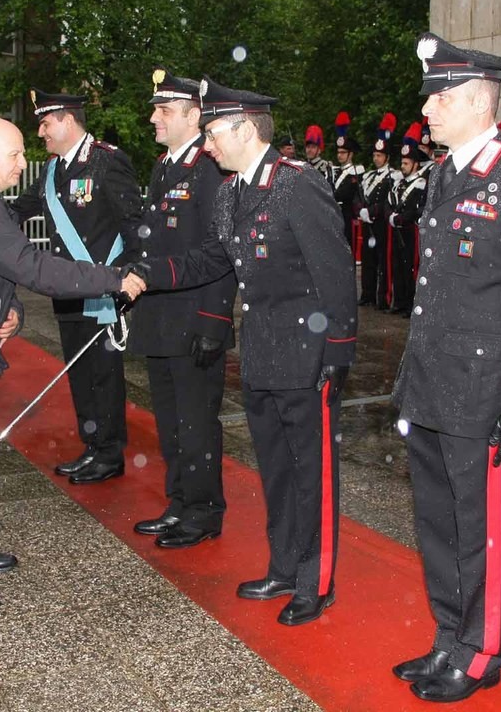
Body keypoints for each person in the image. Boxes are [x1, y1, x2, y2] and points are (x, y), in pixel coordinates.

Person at [136, 76, 357, 626]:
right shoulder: (235, 190)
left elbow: (334, 270)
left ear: (242, 129)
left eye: (212, 132)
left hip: (307, 354)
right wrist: (146, 273)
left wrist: (338, 350)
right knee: (277, 469)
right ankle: (284, 564)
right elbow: (213, 260)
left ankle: (316, 580)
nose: (206, 145)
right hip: (261, 354)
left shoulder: (296, 184)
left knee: (313, 471)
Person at [0, 117, 145, 617]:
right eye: (15, 155)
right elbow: (30, 265)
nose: (22, 164)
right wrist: (112, 278)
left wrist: (9, 308)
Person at [389, 33, 501, 704]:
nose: (428, 109)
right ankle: (448, 635)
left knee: (481, 528)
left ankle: (482, 648)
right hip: (432, 382)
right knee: (438, 521)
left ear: (479, 101)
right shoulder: (446, 173)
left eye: (441, 97)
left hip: (484, 391)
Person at [11, 89, 143, 484]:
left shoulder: (107, 160)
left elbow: (134, 225)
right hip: (67, 289)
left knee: (104, 374)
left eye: (46, 123)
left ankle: (110, 452)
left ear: (67, 121)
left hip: (102, 290)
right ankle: (92, 445)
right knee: (79, 372)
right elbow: (22, 207)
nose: (41, 132)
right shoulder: (53, 170)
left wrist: (129, 278)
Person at [129, 68, 236, 549]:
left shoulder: (210, 168)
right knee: (170, 422)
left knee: (196, 423)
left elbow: (221, 249)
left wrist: (216, 319)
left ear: (194, 116)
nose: (154, 117)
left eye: (164, 110)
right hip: (160, 317)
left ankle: (204, 510)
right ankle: (180, 501)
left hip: (194, 321)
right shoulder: (165, 165)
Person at [357, 114, 400, 309]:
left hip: (381, 224)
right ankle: (367, 294)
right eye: (374, 155)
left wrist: (372, 212)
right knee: (367, 260)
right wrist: (361, 211)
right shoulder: (368, 175)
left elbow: (386, 201)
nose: (376, 159)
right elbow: (359, 195)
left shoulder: (393, 176)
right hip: (367, 223)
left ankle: (382, 298)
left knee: (383, 261)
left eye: (379, 156)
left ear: (387, 157)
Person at [386, 130, 429, 318]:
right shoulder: (398, 184)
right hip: (396, 231)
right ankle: (399, 301)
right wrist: (391, 216)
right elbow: (389, 203)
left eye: (406, 163)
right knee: (397, 266)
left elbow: (416, 208)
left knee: (410, 268)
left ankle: (410, 305)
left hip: (410, 232)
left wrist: (402, 218)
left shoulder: (420, 183)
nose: (402, 167)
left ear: (415, 165)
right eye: (402, 163)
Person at [331, 133, 363, 243]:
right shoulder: (335, 171)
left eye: (343, 152)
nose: (339, 155)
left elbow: (345, 193)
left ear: (350, 154)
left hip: (347, 216)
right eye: (338, 152)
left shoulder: (355, 171)